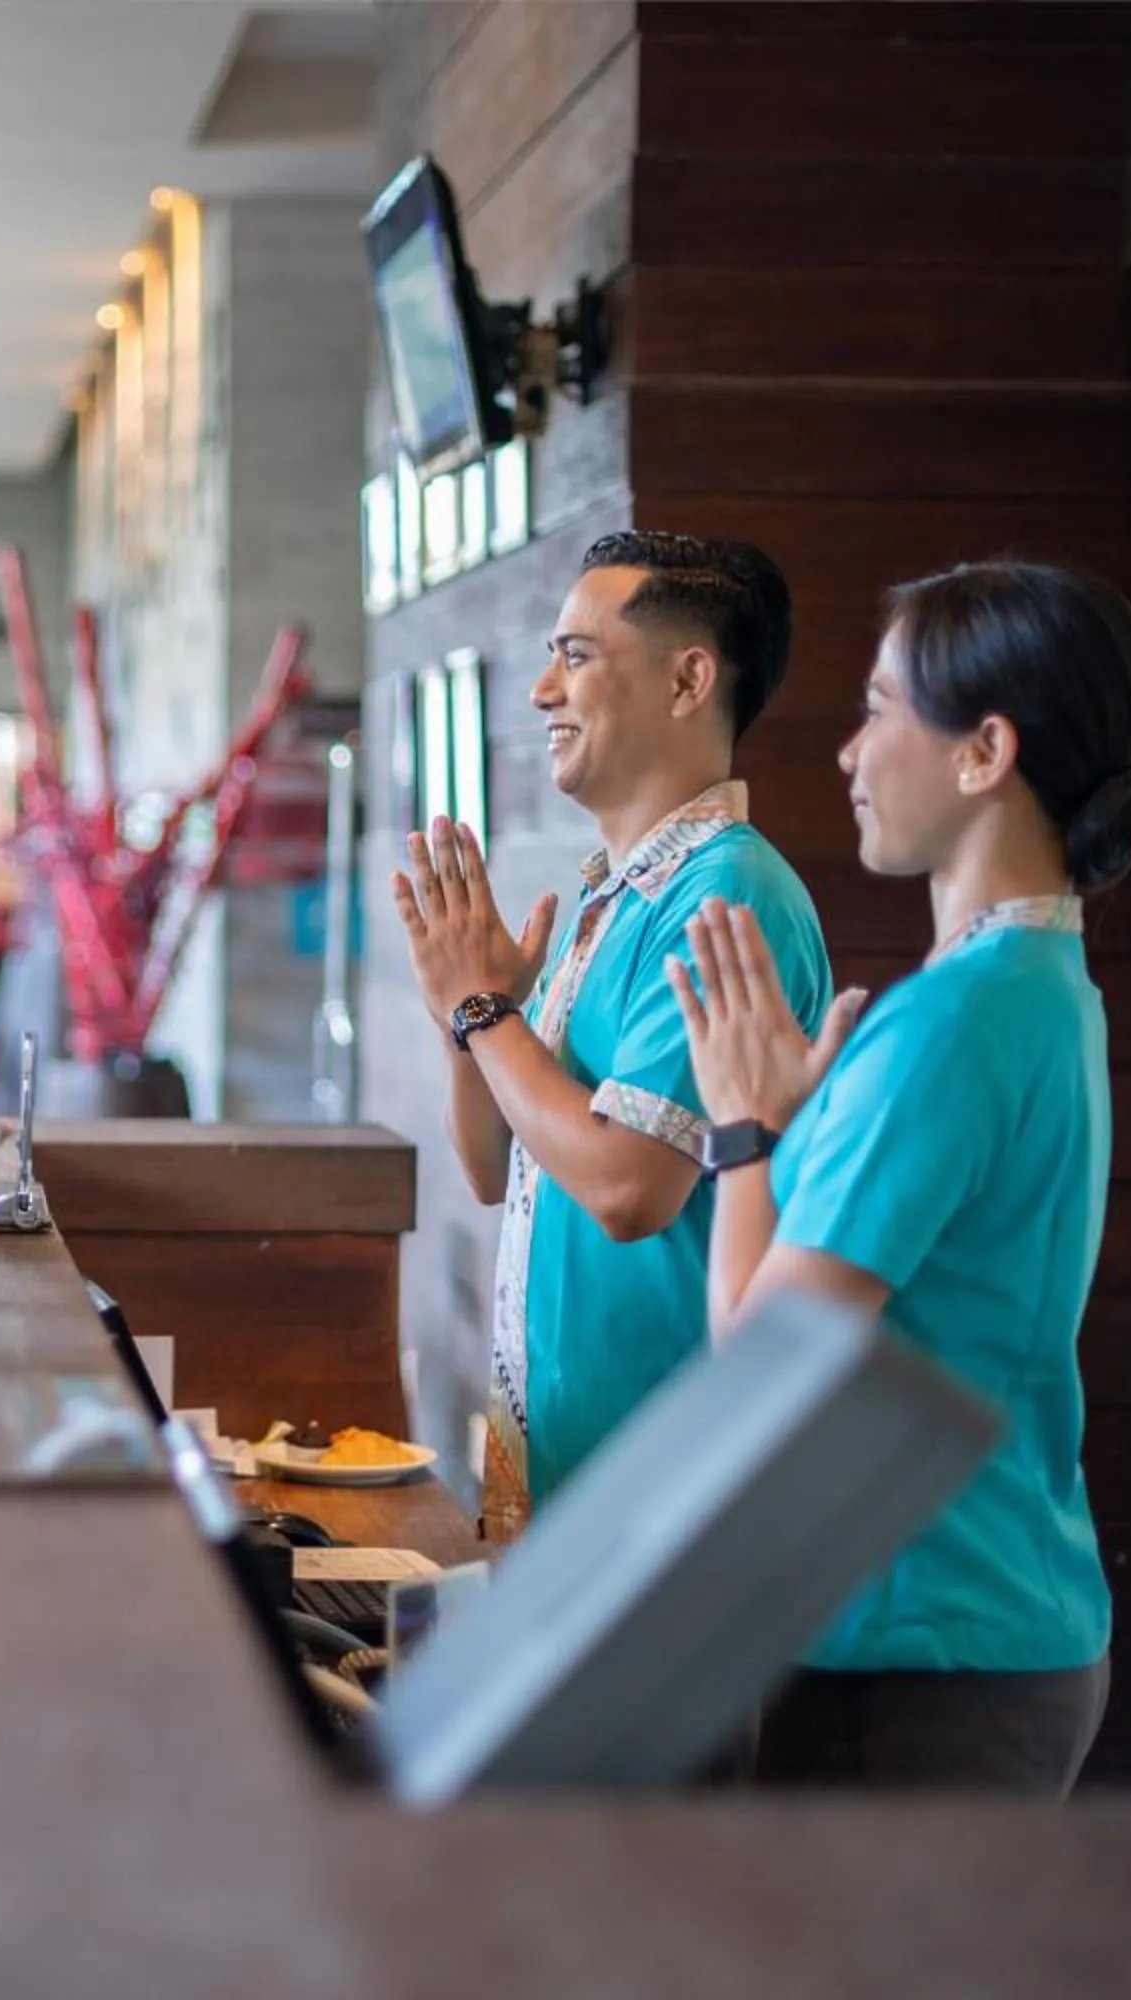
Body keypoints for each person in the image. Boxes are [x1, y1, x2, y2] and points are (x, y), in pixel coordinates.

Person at [671, 558, 1131, 1795]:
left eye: (882, 707)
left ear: (983, 749)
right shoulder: (1041, 988)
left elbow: (762, 1367)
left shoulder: (949, 1022)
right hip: (986, 1623)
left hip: (914, 1640)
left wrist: (740, 1132)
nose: (849, 752)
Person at [392, 531, 834, 1542]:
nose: (544, 689)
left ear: (688, 679)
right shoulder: (613, 895)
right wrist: (473, 1018)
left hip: (664, 1483)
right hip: (575, 1463)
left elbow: (630, 1188)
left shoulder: (726, 891)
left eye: (577, 655)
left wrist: (486, 1014)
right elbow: (494, 1164)